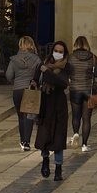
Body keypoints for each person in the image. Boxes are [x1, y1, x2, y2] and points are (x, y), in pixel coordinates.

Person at [35, 40, 71, 181]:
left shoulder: (66, 66)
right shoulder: (43, 64)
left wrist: (48, 72)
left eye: (61, 51)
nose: (58, 53)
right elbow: (36, 78)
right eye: (56, 50)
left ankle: (58, 168)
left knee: (58, 138)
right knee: (44, 136)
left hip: (59, 107)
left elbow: (62, 82)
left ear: (64, 53)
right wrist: (34, 81)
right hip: (45, 105)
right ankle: (45, 161)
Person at [66, 35, 97, 153]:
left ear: (75, 44)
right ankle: (84, 145)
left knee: (75, 116)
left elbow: (67, 71)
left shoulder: (71, 57)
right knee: (87, 118)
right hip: (89, 91)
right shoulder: (93, 57)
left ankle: (76, 134)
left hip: (75, 90)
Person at [6, 36, 42, 152]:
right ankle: (27, 142)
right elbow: (41, 76)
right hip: (30, 89)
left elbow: (8, 75)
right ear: (31, 45)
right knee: (29, 115)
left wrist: (16, 81)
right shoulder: (36, 59)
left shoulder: (14, 59)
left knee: (21, 116)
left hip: (17, 90)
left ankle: (22, 140)